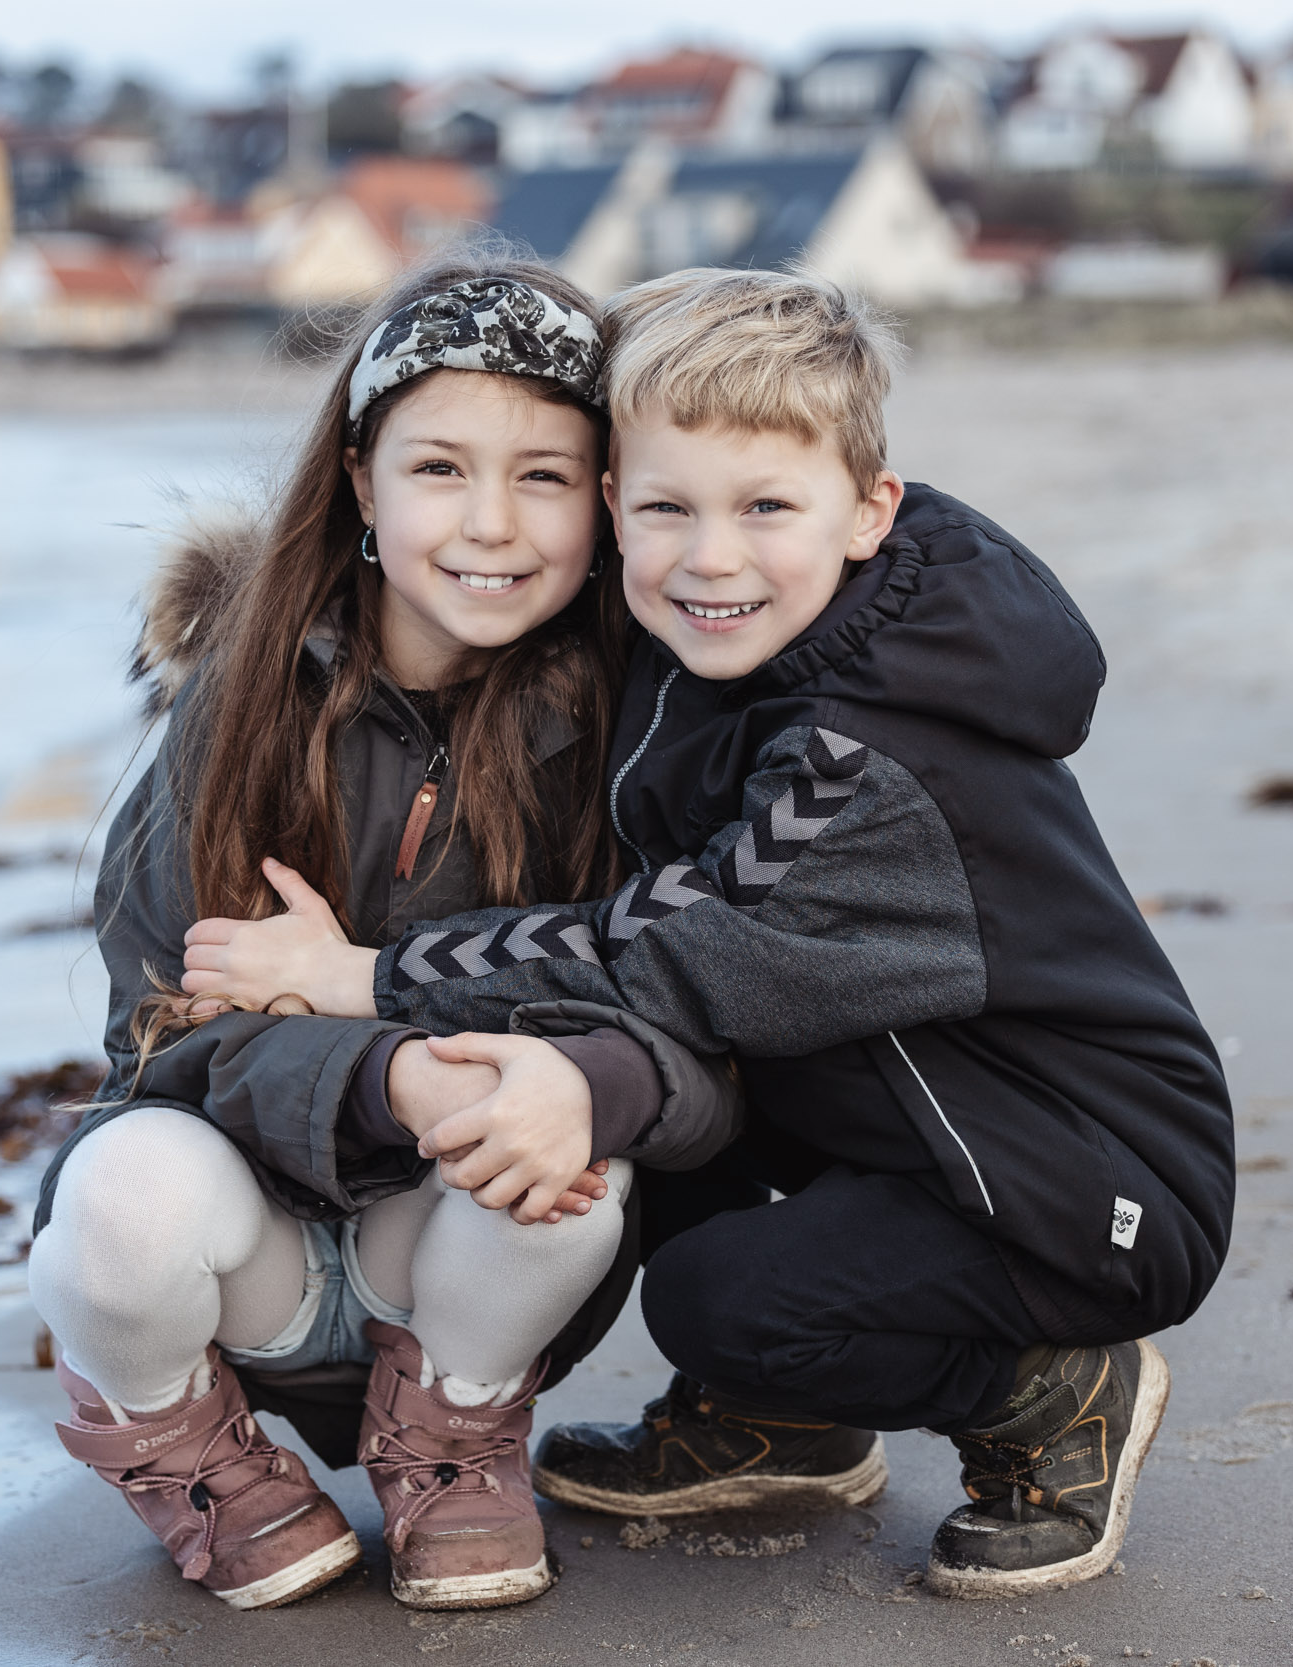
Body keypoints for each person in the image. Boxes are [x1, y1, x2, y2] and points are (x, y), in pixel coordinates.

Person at [181, 267, 1236, 1601]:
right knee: (665, 1108)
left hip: (1085, 1187)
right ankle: (788, 1419)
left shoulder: (869, 760)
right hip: (891, 1106)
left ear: (871, 512)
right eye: (667, 507)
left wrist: (363, 975)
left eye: (765, 509)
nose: (712, 556)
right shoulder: (734, 642)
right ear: (618, 505)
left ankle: (1052, 1395)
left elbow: (668, 947)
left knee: (719, 1292)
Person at [27, 256, 741, 1614]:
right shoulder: (240, 703)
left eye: (542, 476)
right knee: (115, 1195)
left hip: (470, 1256)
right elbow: (159, 1042)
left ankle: (460, 1437)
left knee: (565, 1137)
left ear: (603, 499)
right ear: (360, 481)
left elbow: (705, 1041)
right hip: (253, 1252)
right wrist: (383, 1075)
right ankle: (193, 1452)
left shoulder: (639, 734)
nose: (491, 523)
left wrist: (581, 1079)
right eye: (438, 471)